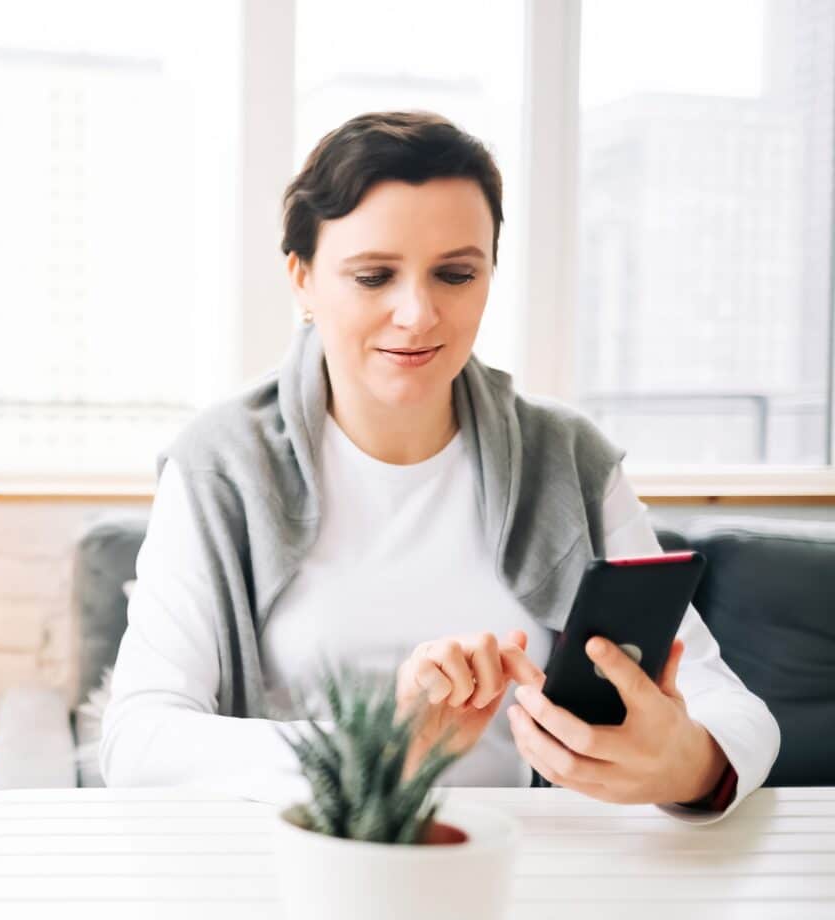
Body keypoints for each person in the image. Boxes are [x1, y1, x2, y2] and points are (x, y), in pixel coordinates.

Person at [97, 111, 779, 821]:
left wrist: (690, 765)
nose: (418, 314)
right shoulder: (221, 467)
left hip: (529, 870)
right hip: (300, 870)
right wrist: (377, 747)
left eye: (455, 273)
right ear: (301, 279)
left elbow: (734, 708)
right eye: (373, 276)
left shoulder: (567, 458)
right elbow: (138, 742)